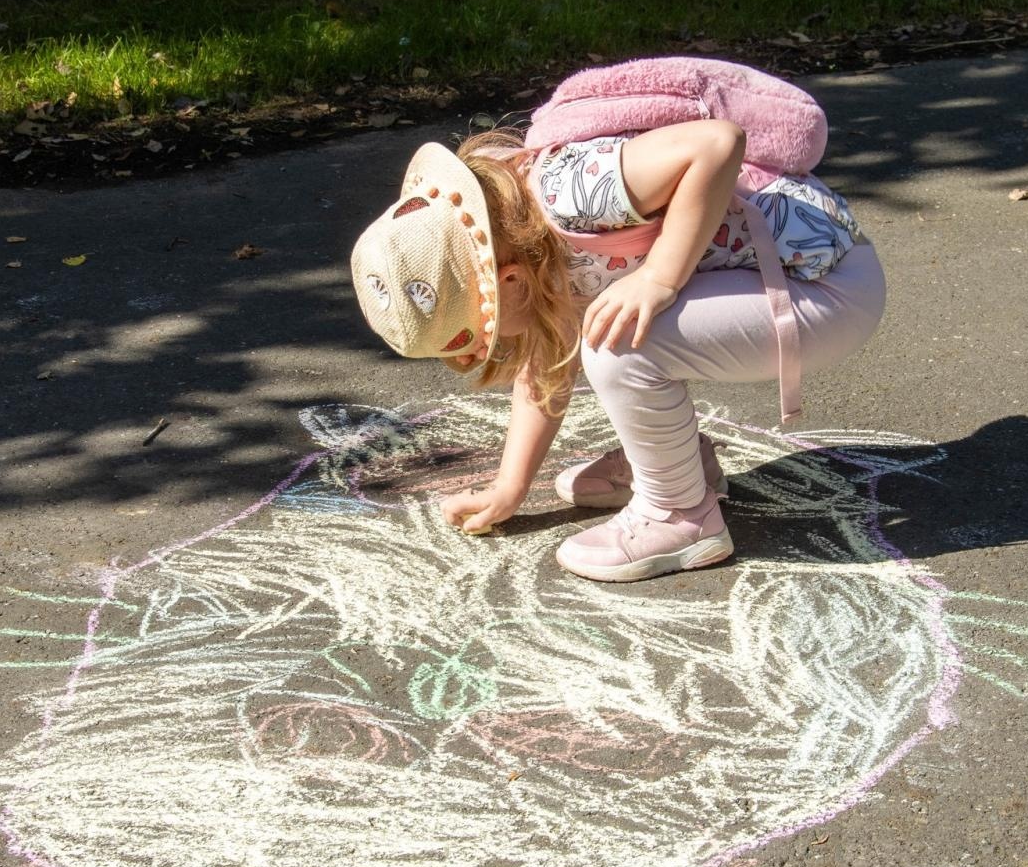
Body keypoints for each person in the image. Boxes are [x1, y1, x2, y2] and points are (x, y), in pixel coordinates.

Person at [349, 113, 884, 583]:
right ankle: (680, 466)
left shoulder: (569, 191)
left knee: (615, 342)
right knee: (605, 329)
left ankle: (681, 516)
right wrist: (510, 488)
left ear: (508, 282)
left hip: (827, 288)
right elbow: (546, 364)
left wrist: (658, 278)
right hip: (785, 280)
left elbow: (717, 143)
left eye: (488, 330)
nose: (499, 343)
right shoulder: (515, 228)